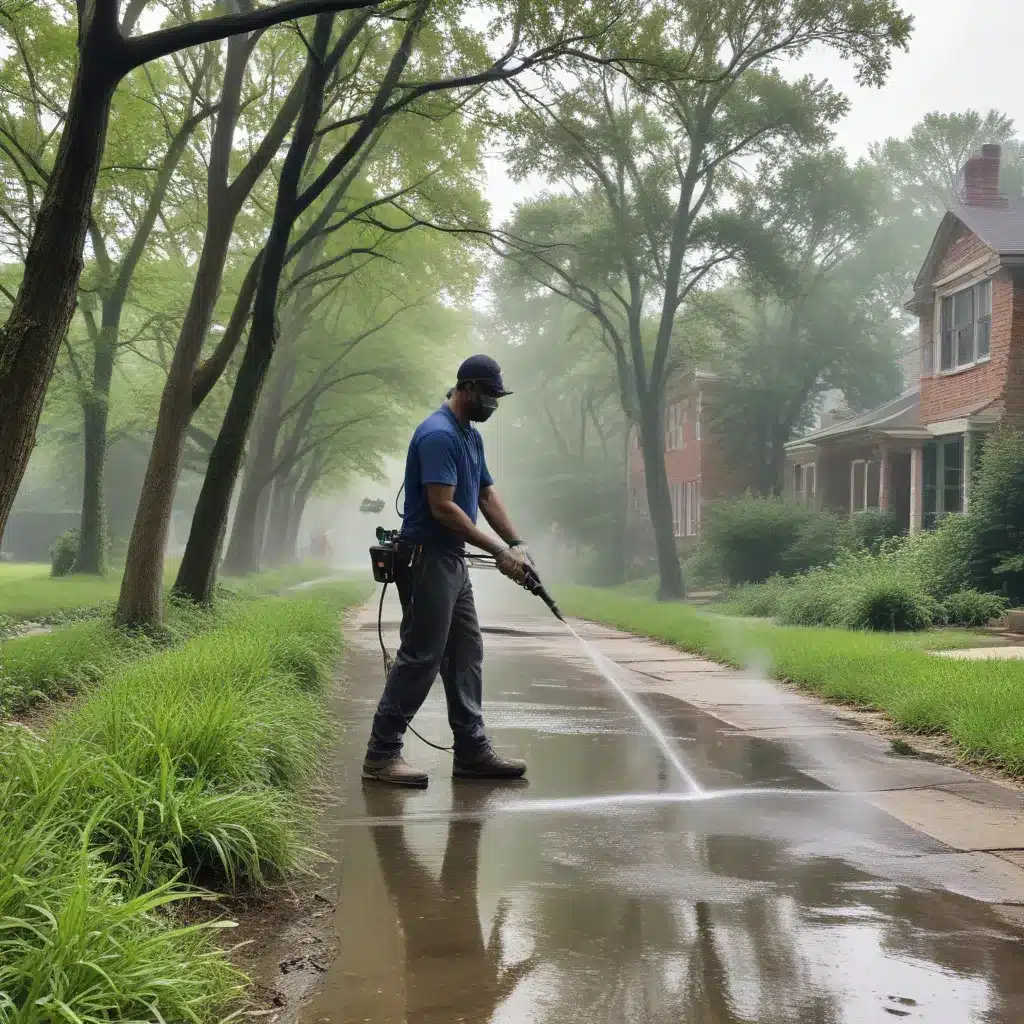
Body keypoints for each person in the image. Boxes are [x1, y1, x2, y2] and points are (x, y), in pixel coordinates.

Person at [363, 354, 534, 787]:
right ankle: (381, 754)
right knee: (422, 656)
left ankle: (472, 752)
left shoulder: (469, 437)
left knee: (465, 654)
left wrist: (516, 544)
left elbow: (486, 494)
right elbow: (444, 508)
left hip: (452, 561)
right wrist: (498, 551)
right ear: (469, 388)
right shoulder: (438, 434)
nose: (494, 404)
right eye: (491, 396)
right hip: (426, 559)